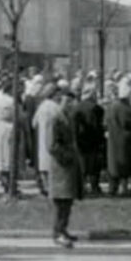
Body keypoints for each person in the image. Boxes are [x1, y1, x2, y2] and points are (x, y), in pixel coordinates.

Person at [48, 88, 84, 248]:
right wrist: (67, 157)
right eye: (66, 101)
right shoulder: (56, 119)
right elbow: (52, 145)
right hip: (61, 166)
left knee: (68, 200)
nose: (69, 104)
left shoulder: (67, 118)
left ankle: (63, 229)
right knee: (61, 201)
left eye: (71, 102)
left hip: (69, 166)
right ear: (59, 101)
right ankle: (57, 232)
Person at [106, 81, 131, 196]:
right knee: (126, 165)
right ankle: (124, 188)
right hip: (127, 141)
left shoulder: (110, 107)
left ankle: (113, 188)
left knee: (114, 164)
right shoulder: (130, 110)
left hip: (112, 140)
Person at [73, 85, 105, 196]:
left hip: (80, 140)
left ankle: (81, 186)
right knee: (94, 166)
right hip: (93, 140)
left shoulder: (76, 107)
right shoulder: (97, 108)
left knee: (82, 165)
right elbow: (99, 126)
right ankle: (94, 186)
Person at [32, 84, 60, 198]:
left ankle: (45, 186)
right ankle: (52, 187)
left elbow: (34, 123)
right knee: (53, 162)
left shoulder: (42, 106)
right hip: (53, 137)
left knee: (43, 163)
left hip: (42, 137)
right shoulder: (56, 107)